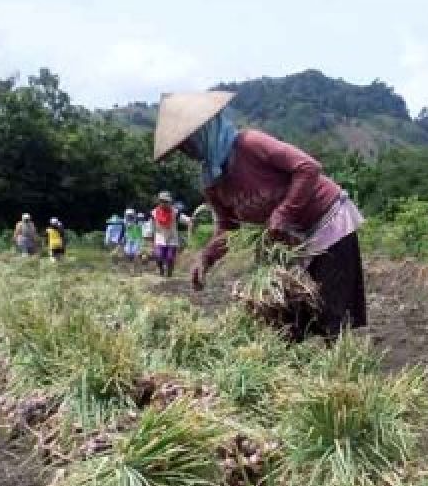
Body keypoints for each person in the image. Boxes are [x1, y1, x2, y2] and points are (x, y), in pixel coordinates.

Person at [152, 91, 367, 340]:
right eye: (181, 148)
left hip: (326, 222)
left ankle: (338, 368)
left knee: (331, 309)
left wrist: (283, 213)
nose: (187, 151)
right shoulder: (212, 181)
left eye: (188, 142)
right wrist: (206, 258)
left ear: (205, 130)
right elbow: (228, 226)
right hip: (287, 241)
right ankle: (297, 368)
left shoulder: (250, 144)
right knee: (286, 314)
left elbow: (308, 168)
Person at [150, 192, 182, 277]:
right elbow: (152, 225)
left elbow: (183, 219)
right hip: (160, 237)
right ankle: (161, 270)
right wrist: (151, 236)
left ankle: (169, 274)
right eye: (162, 201)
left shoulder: (175, 212)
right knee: (159, 256)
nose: (164, 204)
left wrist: (191, 221)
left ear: (169, 202)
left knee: (170, 257)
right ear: (159, 202)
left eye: (166, 202)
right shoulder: (154, 213)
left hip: (172, 238)